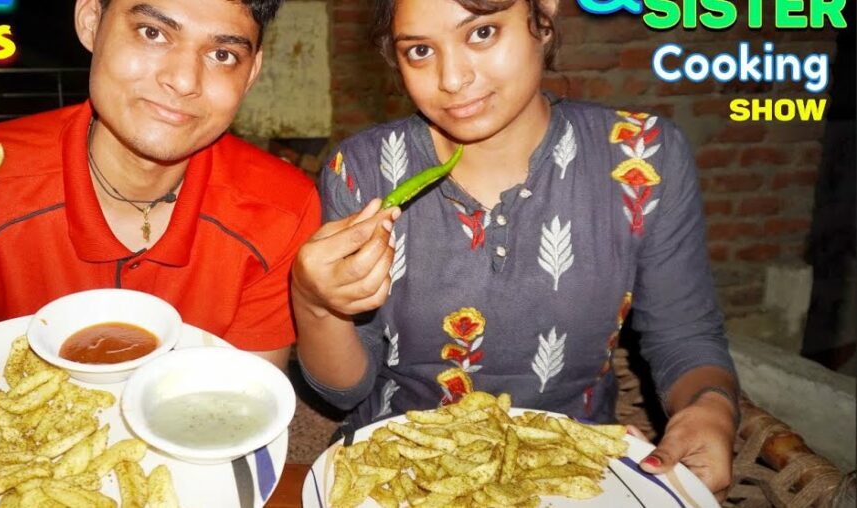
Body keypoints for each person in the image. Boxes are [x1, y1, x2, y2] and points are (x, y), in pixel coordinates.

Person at [290, 0, 739, 498]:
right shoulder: (363, 169)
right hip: (399, 472)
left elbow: (685, 334)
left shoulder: (644, 157)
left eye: (482, 33)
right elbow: (344, 391)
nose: (453, 78)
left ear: (543, 13)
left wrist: (711, 410)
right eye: (419, 50)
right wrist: (316, 302)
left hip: (573, 473)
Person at [0, 0, 319, 420]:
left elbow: (245, 413)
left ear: (251, 74)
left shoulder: (282, 207)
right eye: (153, 33)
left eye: (223, 54)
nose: (184, 80)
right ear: (91, 22)